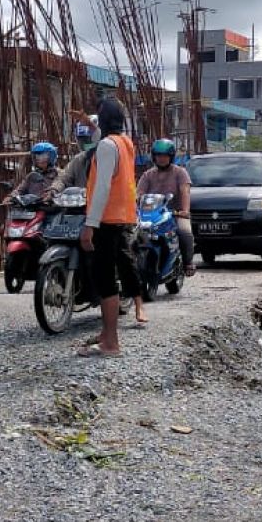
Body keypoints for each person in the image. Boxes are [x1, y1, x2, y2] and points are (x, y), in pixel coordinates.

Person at [77, 98, 144, 358]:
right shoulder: (124, 143)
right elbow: (103, 141)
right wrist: (87, 123)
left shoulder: (106, 146)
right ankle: (106, 335)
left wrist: (89, 225)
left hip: (105, 219)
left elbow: (103, 186)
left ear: (103, 120)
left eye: (98, 117)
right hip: (120, 217)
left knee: (104, 280)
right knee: (108, 276)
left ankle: (111, 343)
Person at [137, 137, 196, 276]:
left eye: (164, 156)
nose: (161, 159)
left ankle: (188, 263)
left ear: (171, 157)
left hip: (174, 213)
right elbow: (139, 194)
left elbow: (185, 191)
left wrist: (185, 211)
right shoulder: (147, 175)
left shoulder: (180, 172)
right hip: (152, 215)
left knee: (184, 232)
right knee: (133, 235)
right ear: (154, 157)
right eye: (158, 156)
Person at [45, 115, 98, 200]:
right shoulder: (79, 160)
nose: (85, 143)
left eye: (88, 139)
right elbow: (63, 178)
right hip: (81, 207)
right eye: (82, 139)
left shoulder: (110, 160)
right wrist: (54, 189)